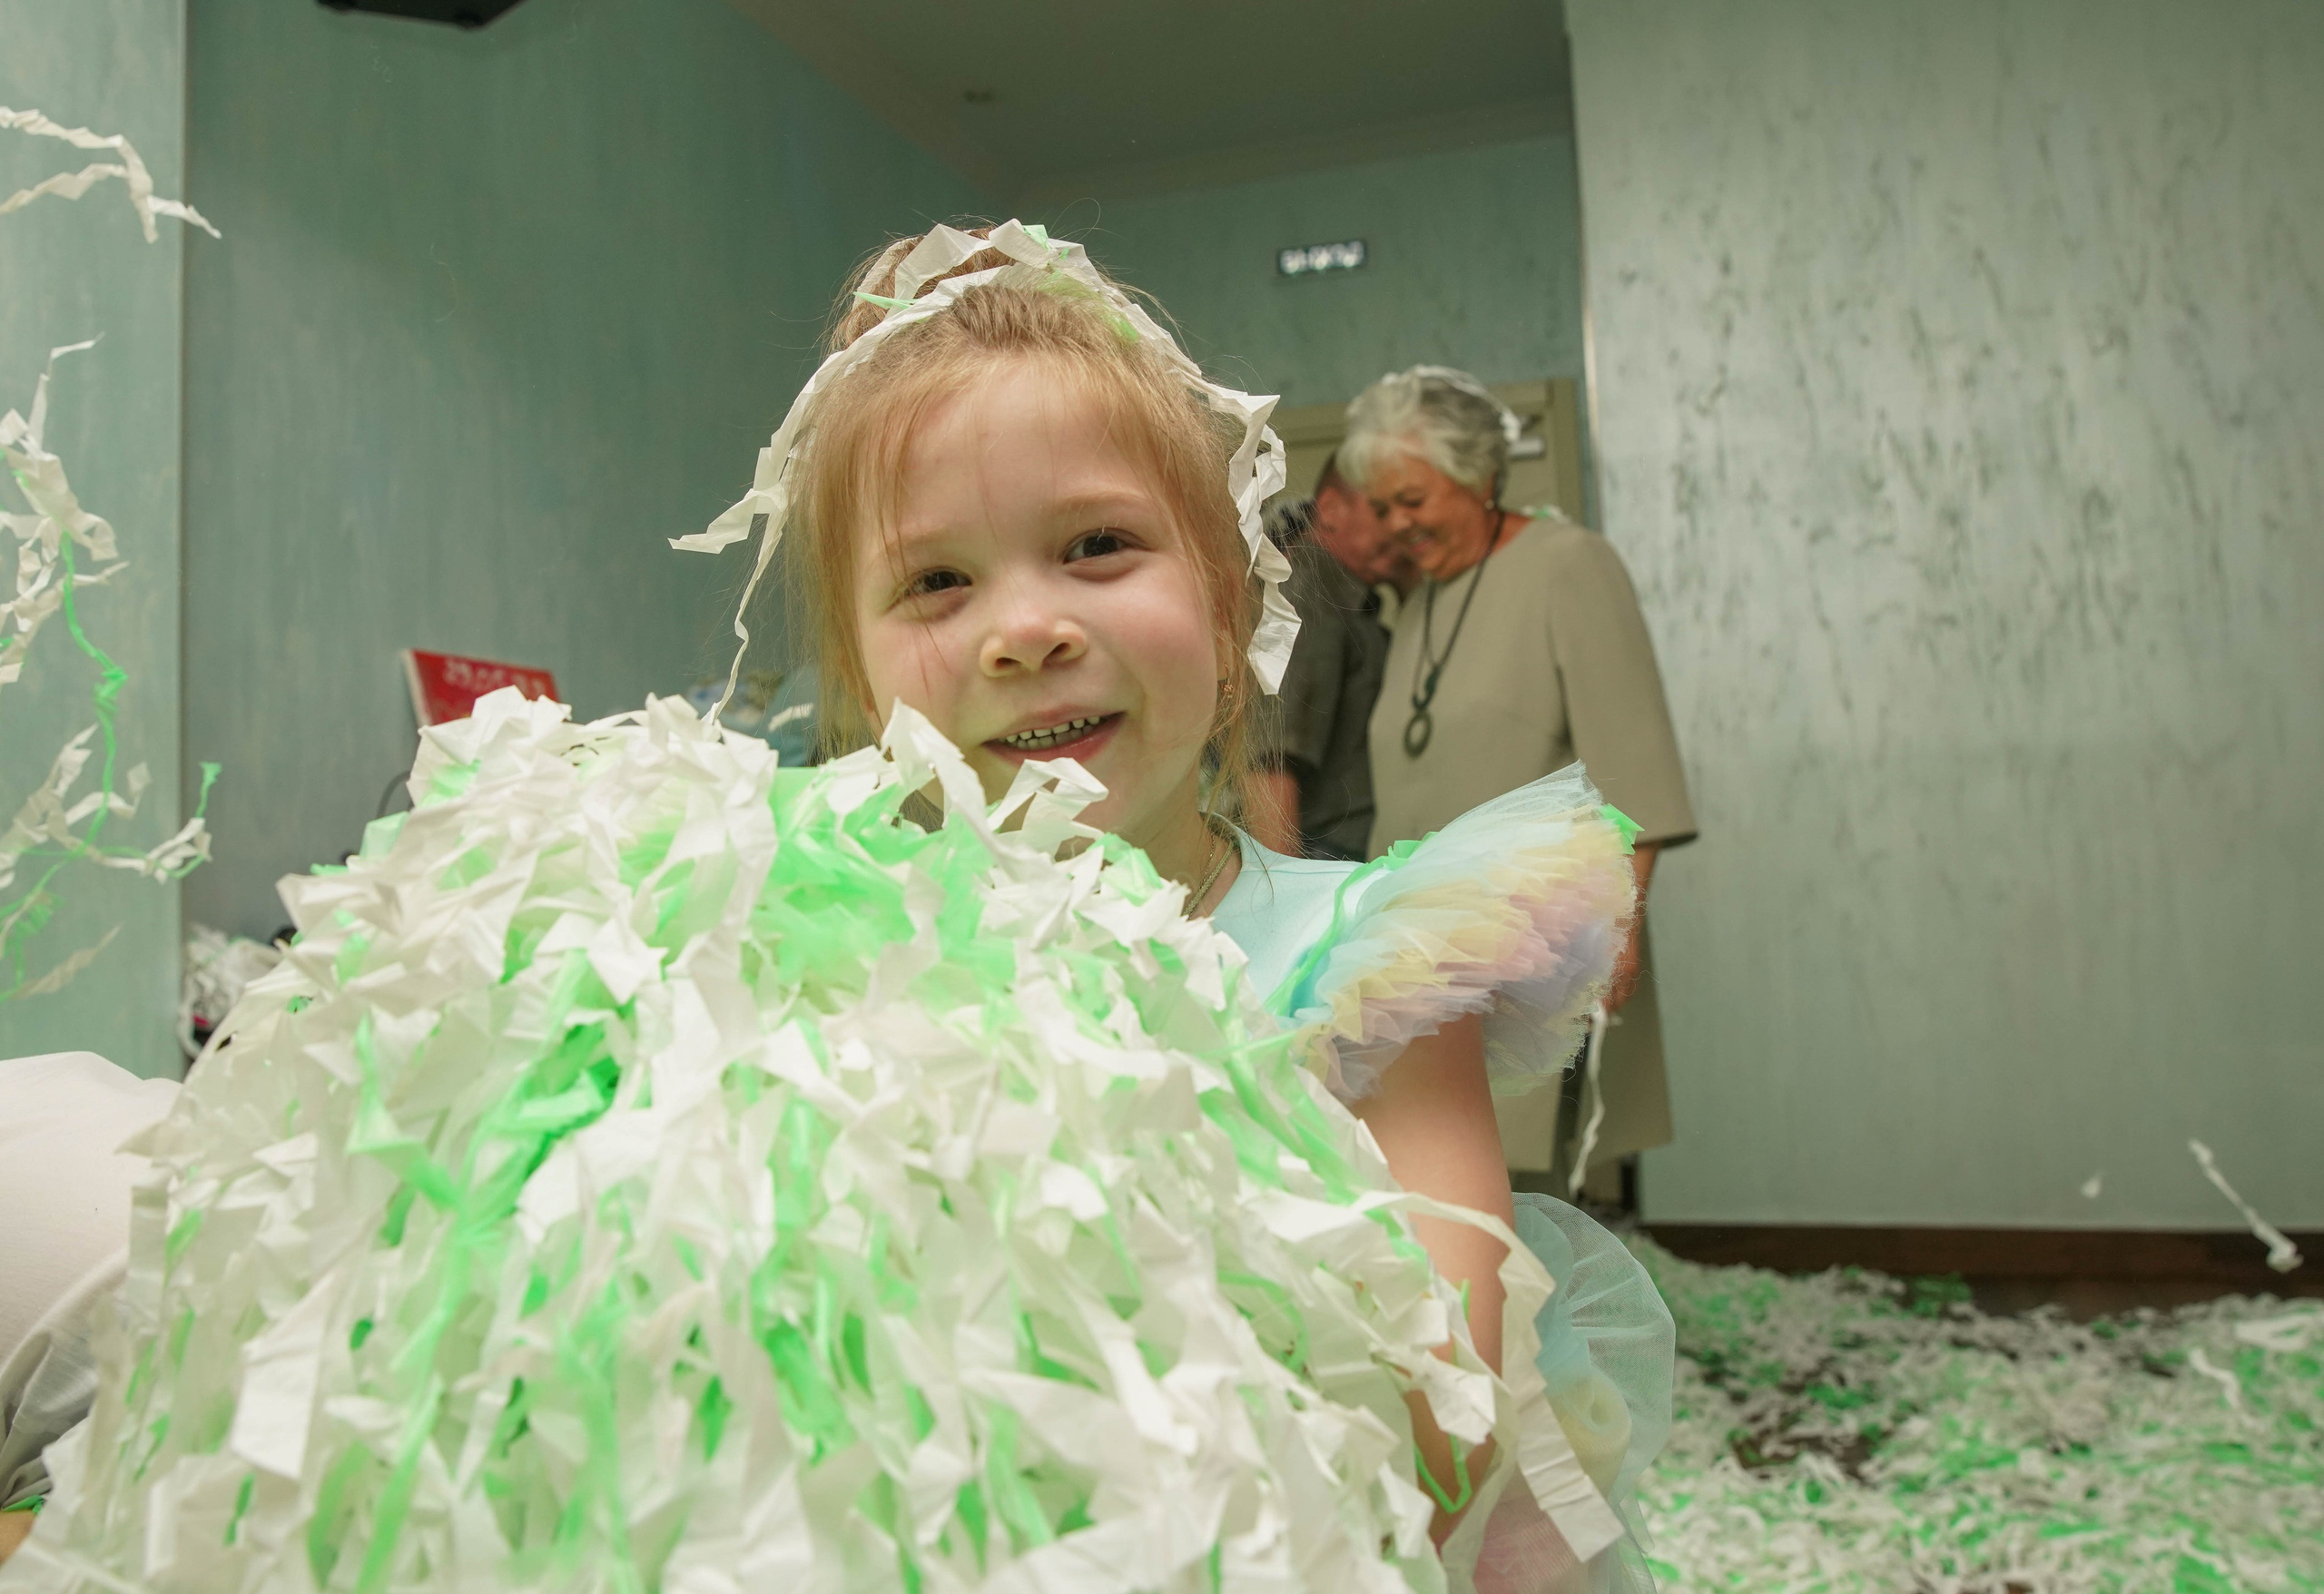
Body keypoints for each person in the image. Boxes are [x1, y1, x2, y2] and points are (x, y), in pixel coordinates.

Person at [1, 228, 1669, 1594]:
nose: (1025, 627)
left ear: (1232, 610)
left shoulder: (1372, 963)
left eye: (1098, 546)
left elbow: (1441, 1412)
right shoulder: (826, 931)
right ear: (864, 682)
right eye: (938, 581)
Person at [1347, 367, 1698, 1200]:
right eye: (1383, 509)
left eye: (1413, 500)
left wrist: (1620, 932)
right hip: (1418, 952)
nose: (1398, 526)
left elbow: (1633, 763)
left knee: (1518, 1187)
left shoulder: (1569, 566)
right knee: (1435, 1181)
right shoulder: (1422, 601)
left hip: (1536, 942)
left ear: (1479, 475)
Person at [1245, 455, 1413, 860]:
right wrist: (1286, 889)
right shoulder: (1308, 588)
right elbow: (1270, 759)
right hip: (1326, 857)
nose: (1400, 526)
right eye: (1381, 510)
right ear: (1333, 510)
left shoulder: (1343, 591)